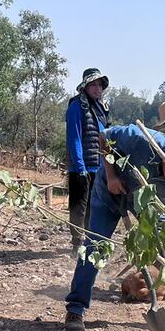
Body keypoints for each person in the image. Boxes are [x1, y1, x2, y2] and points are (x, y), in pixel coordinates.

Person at [62, 124, 165, 331]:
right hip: (108, 195)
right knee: (94, 247)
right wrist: (111, 176)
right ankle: (76, 308)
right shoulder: (139, 139)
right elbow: (103, 137)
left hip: (146, 203)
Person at [65, 68, 109, 251]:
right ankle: (76, 243)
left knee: (94, 206)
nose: (97, 88)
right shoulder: (77, 106)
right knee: (79, 207)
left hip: (97, 167)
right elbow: (74, 137)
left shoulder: (101, 108)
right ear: (85, 87)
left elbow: (106, 136)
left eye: (99, 85)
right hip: (81, 168)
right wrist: (80, 166)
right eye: (93, 84)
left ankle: (90, 243)